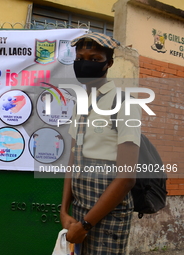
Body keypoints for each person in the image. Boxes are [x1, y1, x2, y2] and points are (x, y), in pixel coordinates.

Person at [60, 32, 141, 254]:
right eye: (80, 58)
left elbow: (126, 178)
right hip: (77, 212)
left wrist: (87, 224)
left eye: (94, 59)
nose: (85, 64)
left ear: (109, 63)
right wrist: (64, 210)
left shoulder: (124, 103)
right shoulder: (81, 102)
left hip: (108, 218)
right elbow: (73, 159)